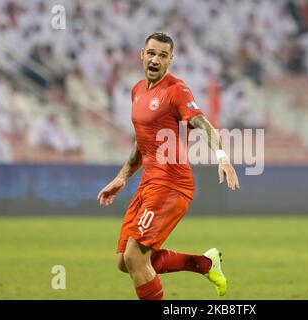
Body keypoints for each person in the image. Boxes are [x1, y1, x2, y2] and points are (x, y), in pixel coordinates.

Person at [97, 32, 240, 300]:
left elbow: (202, 124)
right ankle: (205, 264)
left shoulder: (176, 89)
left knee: (135, 257)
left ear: (170, 60)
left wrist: (221, 154)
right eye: (151, 53)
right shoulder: (137, 90)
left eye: (163, 55)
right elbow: (143, 142)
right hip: (149, 183)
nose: (156, 59)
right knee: (124, 261)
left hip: (172, 184)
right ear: (142, 55)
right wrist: (123, 176)